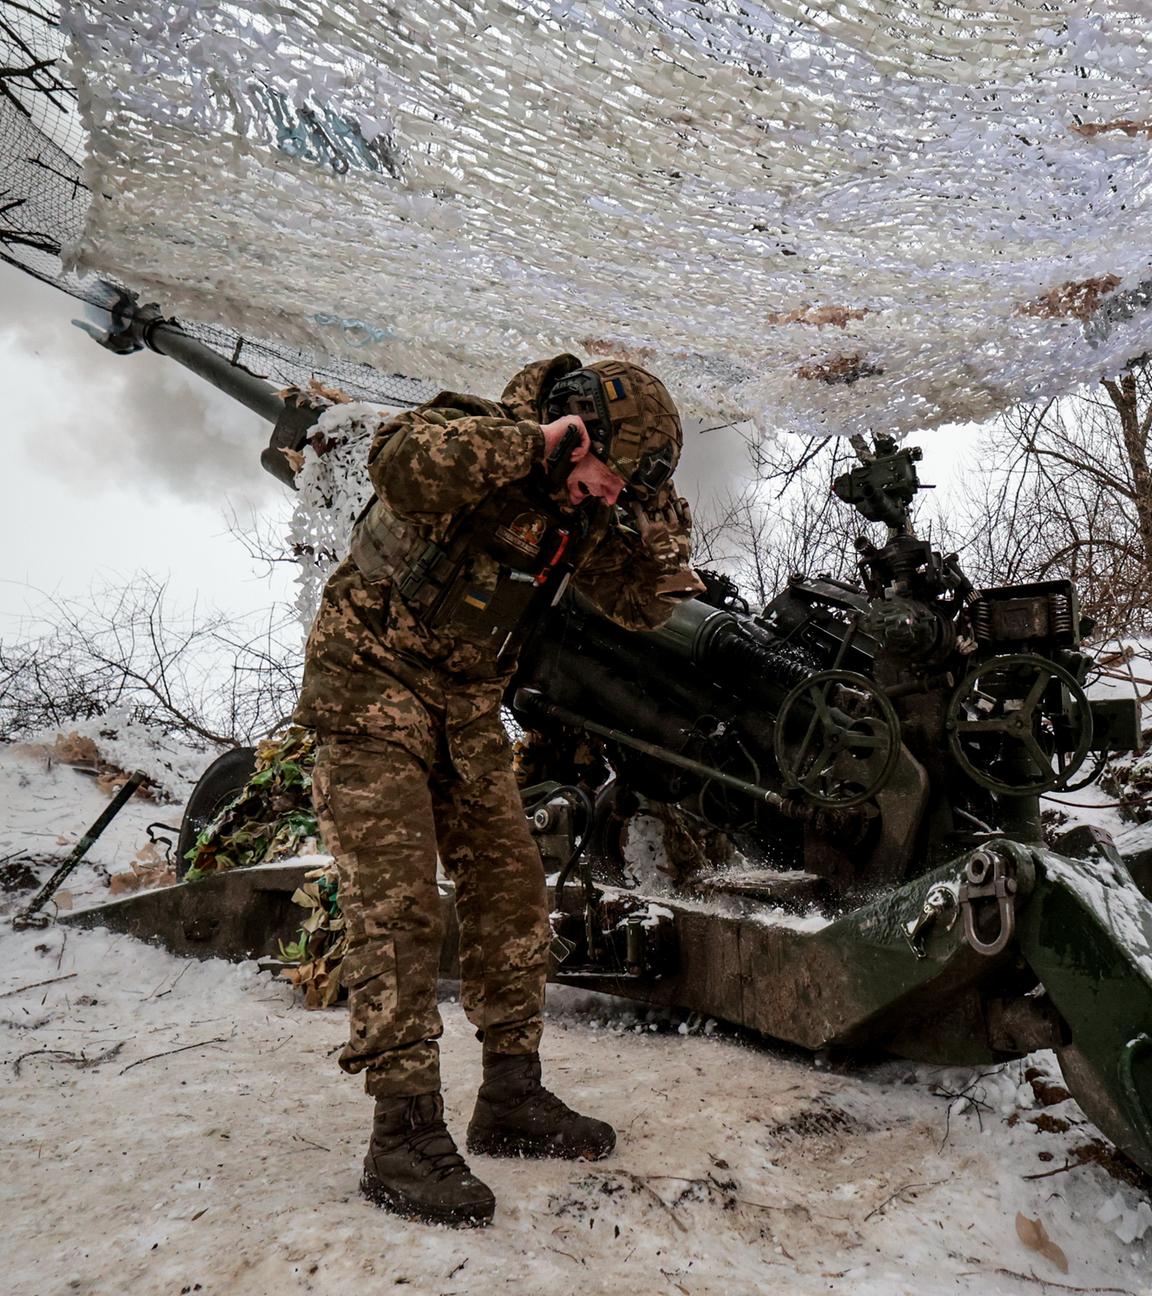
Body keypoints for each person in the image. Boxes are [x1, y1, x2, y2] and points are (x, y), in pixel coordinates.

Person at [293, 353, 702, 1227]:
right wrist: (530, 447)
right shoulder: (471, 433)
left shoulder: (583, 511)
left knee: (514, 892)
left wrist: (656, 516)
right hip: (369, 686)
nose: (601, 496)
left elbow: (642, 607)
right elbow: (397, 463)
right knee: (397, 907)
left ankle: (510, 1100)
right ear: (575, 429)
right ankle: (402, 1134)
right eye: (601, 474)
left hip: (465, 706)